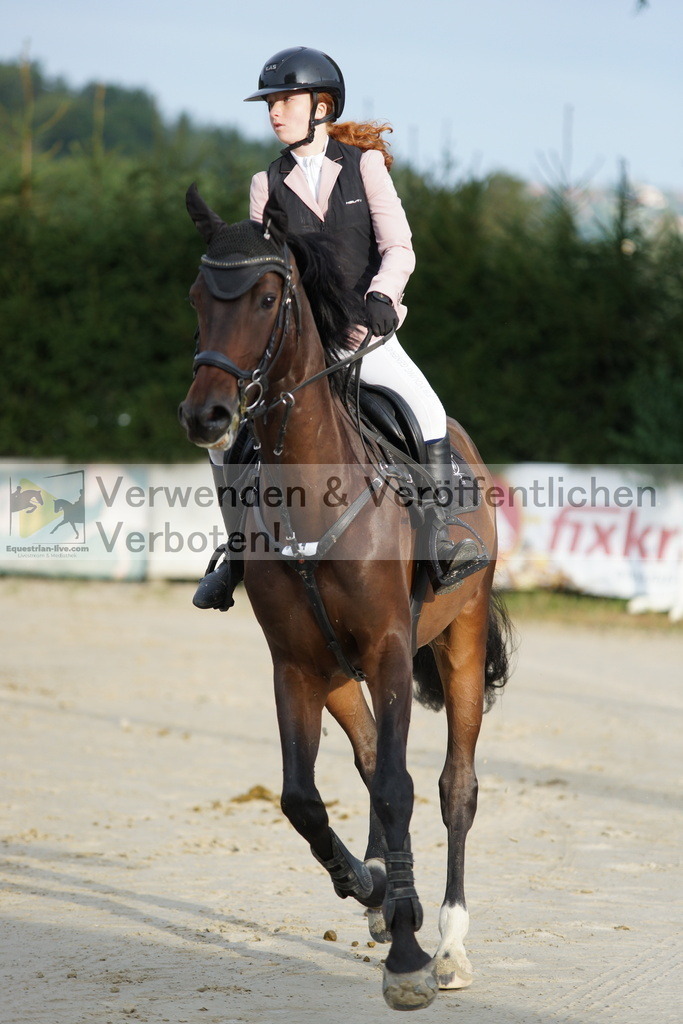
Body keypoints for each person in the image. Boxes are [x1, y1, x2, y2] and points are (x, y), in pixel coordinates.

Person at [193, 46, 477, 611]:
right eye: (269, 103)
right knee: (223, 446)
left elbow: (399, 247)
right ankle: (237, 551)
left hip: (364, 336)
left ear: (321, 106)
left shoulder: (364, 165)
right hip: (300, 349)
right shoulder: (264, 183)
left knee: (424, 407)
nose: (274, 112)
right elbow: (258, 273)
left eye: (285, 101)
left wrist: (382, 296)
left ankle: (444, 535)